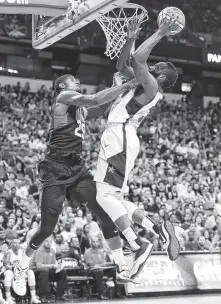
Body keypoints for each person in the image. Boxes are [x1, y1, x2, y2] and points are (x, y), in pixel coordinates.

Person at [12, 73, 137, 296]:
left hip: (77, 169)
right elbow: (95, 100)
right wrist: (128, 85)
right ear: (62, 85)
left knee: (105, 214)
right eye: (74, 81)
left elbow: (100, 108)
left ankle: (122, 266)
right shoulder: (63, 97)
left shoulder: (80, 110)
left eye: (78, 82)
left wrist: (116, 88)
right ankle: (21, 265)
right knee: (47, 229)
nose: (78, 83)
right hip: (54, 170)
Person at [94, 17, 181, 279]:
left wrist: (160, 32)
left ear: (162, 75)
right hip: (122, 136)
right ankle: (158, 228)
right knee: (114, 198)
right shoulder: (146, 84)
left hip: (120, 135)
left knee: (102, 195)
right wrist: (130, 38)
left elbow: (137, 60)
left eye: (158, 66)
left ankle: (137, 244)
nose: (153, 65)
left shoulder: (152, 85)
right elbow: (124, 64)